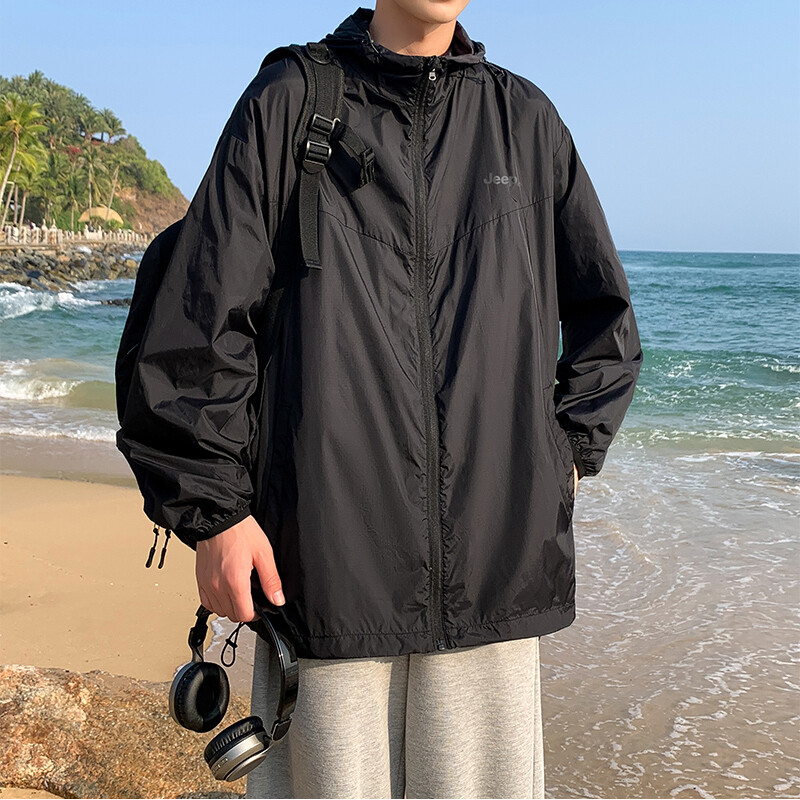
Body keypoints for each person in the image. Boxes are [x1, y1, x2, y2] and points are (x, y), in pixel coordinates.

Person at [116, 1, 643, 797]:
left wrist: (564, 455)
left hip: (493, 577)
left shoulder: (525, 122)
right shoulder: (290, 100)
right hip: (326, 576)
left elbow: (607, 320)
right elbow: (196, 316)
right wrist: (215, 515)